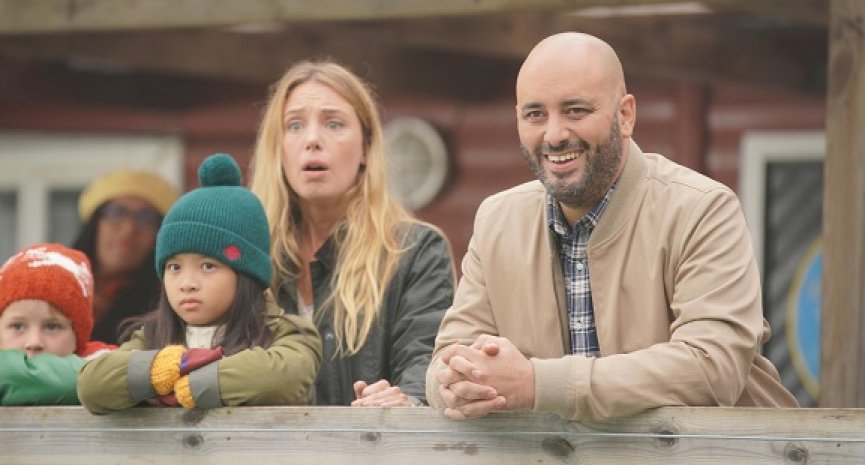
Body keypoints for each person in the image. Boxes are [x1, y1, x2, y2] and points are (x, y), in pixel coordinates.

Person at [426, 32, 799, 421]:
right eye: (535, 114)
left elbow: (713, 368)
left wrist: (537, 384)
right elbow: (446, 357)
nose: (554, 134)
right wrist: (455, 384)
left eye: (575, 110)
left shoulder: (701, 209)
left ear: (625, 115)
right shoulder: (497, 220)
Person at [249, 60, 455, 407]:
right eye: (295, 125)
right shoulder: (248, 253)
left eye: (334, 124)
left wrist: (405, 401)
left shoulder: (416, 251)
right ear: (277, 147)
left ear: (366, 147)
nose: (312, 140)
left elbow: (428, 361)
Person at [77, 154, 322, 414]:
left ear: (246, 274)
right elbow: (92, 386)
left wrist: (192, 382)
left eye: (208, 266)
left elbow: (281, 379)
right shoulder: (153, 335)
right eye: (174, 267)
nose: (187, 283)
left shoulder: (286, 333)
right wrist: (160, 370)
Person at [73, 169, 180, 344]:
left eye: (146, 218)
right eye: (117, 212)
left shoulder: (166, 307)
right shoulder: (54, 283)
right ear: (95, 223)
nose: (129, 229)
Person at [0, 243, 112, 405]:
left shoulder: (104, 364)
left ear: (78, 337)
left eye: (52, 327)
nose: (34, 342)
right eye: (18, 326)